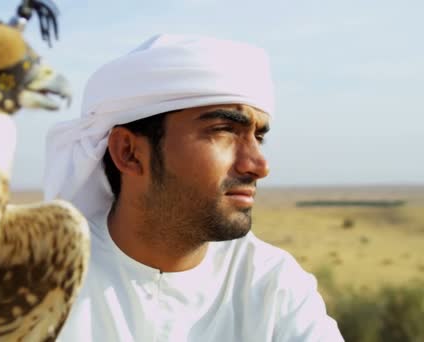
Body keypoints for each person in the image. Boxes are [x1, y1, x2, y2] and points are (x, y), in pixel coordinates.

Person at [44, 34, 344, 341]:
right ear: (129, 152)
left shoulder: (272, 285)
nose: (258, 165)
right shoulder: (38, 282)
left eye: (259, 137)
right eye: (224, 130)